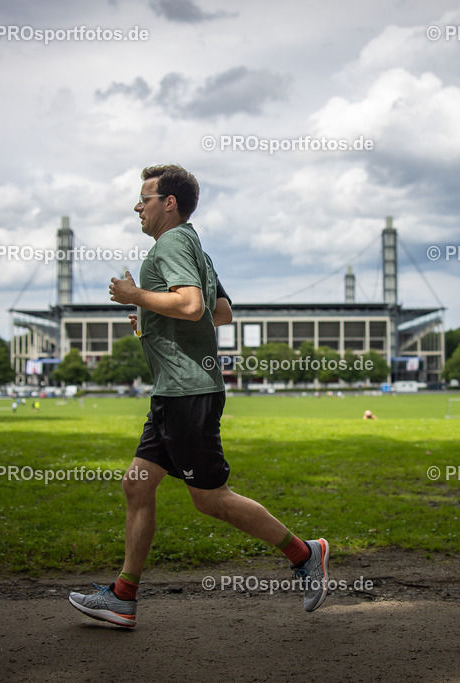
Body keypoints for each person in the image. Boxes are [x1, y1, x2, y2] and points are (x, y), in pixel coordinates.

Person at [68, 164, 330, 628]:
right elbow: (221, 312)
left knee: (210, 498)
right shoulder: (195, 247)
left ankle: (305, 553)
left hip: (189, 393)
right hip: (173, 392)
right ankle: (123, 598)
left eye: (144, 198)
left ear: (168, 203)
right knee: (137, 483)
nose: (137, 206)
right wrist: (152, 317)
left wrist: (134, 296)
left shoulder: (171, 245)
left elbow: (191, 306)